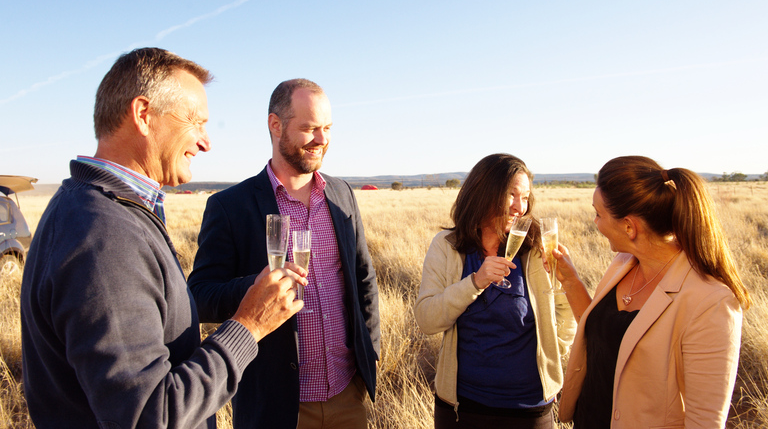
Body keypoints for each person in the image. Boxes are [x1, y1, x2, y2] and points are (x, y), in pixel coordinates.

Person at [20, 48, 307, 429]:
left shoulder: (97, 209)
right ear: (143, 114)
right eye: (195, 121)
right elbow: (148, 415)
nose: (206, 142)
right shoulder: (104, 235)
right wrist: (249, 326)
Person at [187, 78, 380, 429]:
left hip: (347, 395)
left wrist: (371, 355)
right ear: (275, 125)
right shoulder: (231, 207)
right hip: (277, 407)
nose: (321, 139)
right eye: (308, 128)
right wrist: (255, 287)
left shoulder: (342, 194)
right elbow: (199, 296)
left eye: (327, 128)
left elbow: (364, 279)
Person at [553, 156, 750, 428]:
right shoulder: (623, 263)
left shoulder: (710, 301)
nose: (595, 222)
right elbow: (601, 333)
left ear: (629, 227)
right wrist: (571, 281)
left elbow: (704, 420)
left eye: (599, 214)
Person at [414, 153, 576, 429]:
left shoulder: (536, 249)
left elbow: (564, 306)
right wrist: (474, 282)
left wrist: (552, 350)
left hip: (530, 407)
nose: (519, 207)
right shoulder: (447, 246)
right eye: (511, 195)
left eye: (525, 197)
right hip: (463, 407)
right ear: (484, 192)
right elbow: (427, 320)